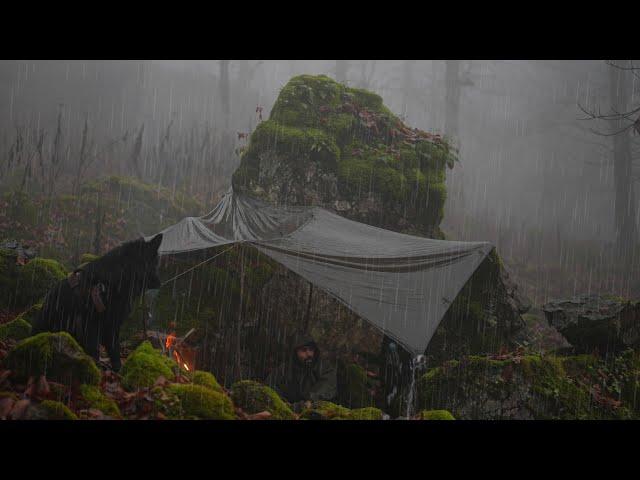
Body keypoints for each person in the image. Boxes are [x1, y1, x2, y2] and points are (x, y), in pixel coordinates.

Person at [265, 333, 337, 411]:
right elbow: (270, 388)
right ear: (295, 352)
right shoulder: (283, 371)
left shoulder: (324, 368)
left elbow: (327, 386)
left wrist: (311, 400)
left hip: (317, 410)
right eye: (304, 350)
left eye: (311, 349)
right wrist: (284, 405)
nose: (309, 354)